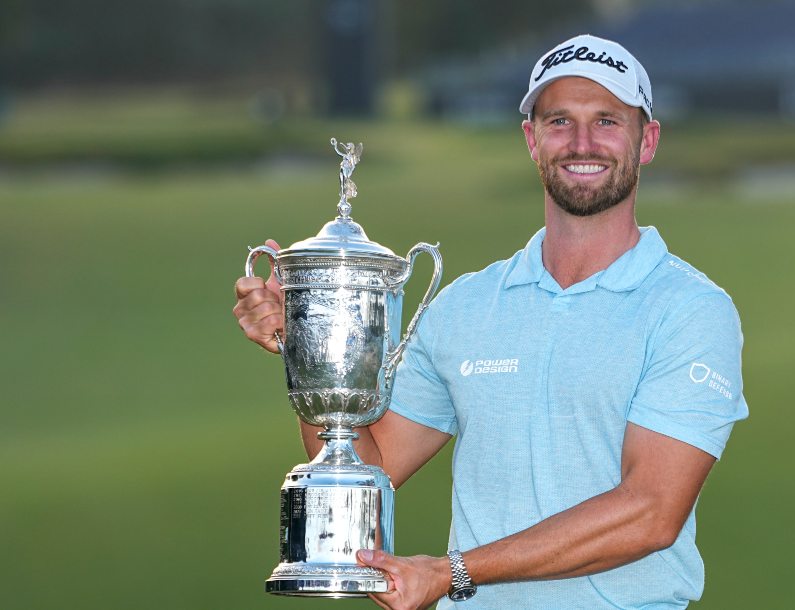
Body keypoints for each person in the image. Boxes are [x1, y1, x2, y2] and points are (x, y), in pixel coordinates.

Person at [234, 34, 749, 610]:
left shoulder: (690, 309)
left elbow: (651, 512)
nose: (582, 142)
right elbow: (372, 464)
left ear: (646, 140)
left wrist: (453, 572)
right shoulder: (466, 305)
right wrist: (307, 337)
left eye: (606, 120)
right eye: (559, 121)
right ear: (532, 140)